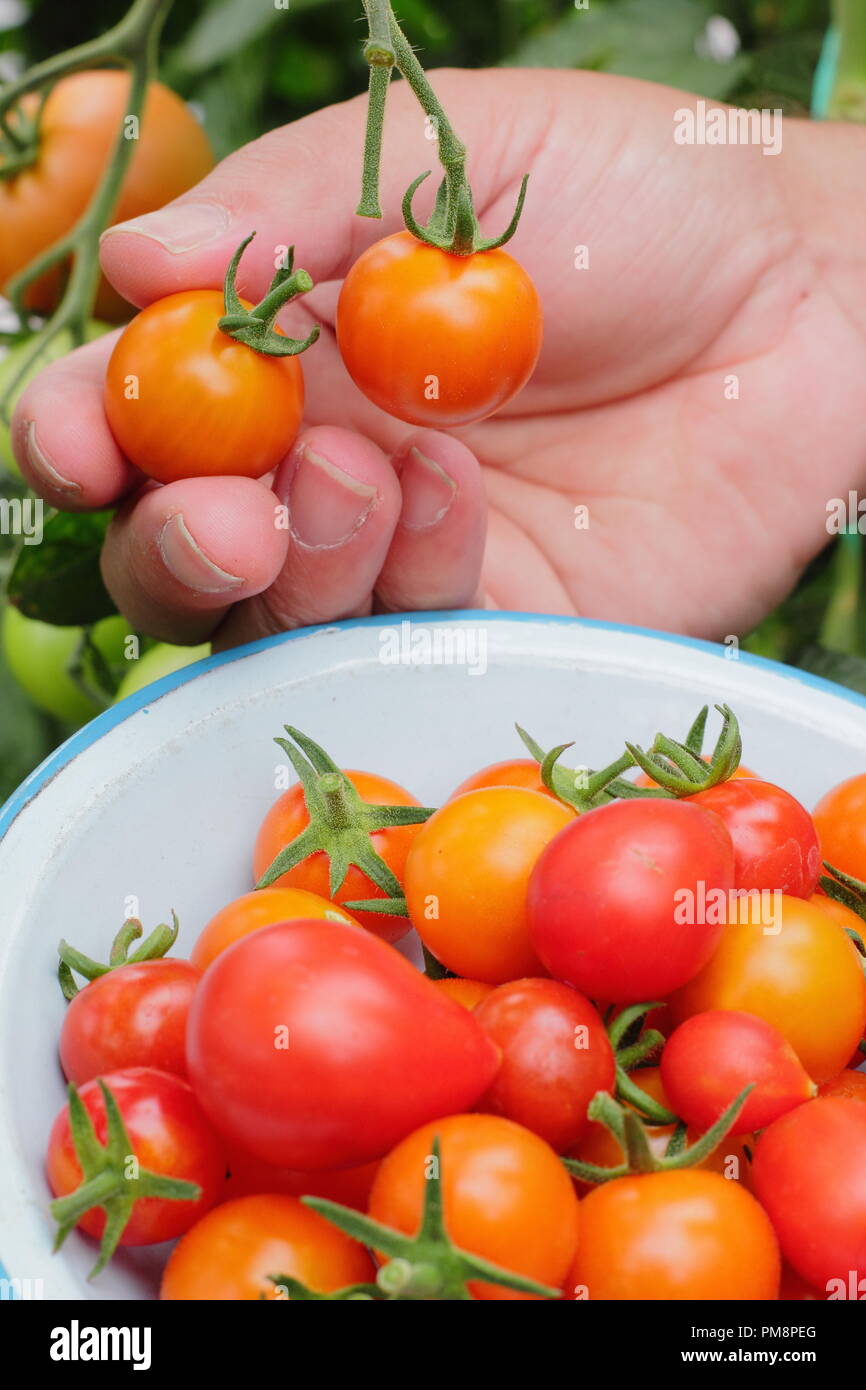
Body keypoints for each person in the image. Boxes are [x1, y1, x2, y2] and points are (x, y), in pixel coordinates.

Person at [12, 69, 866, 649]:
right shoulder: (395, 306)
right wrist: (803, 243)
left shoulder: (405, 295)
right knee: (216, 534)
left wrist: (807, 253)